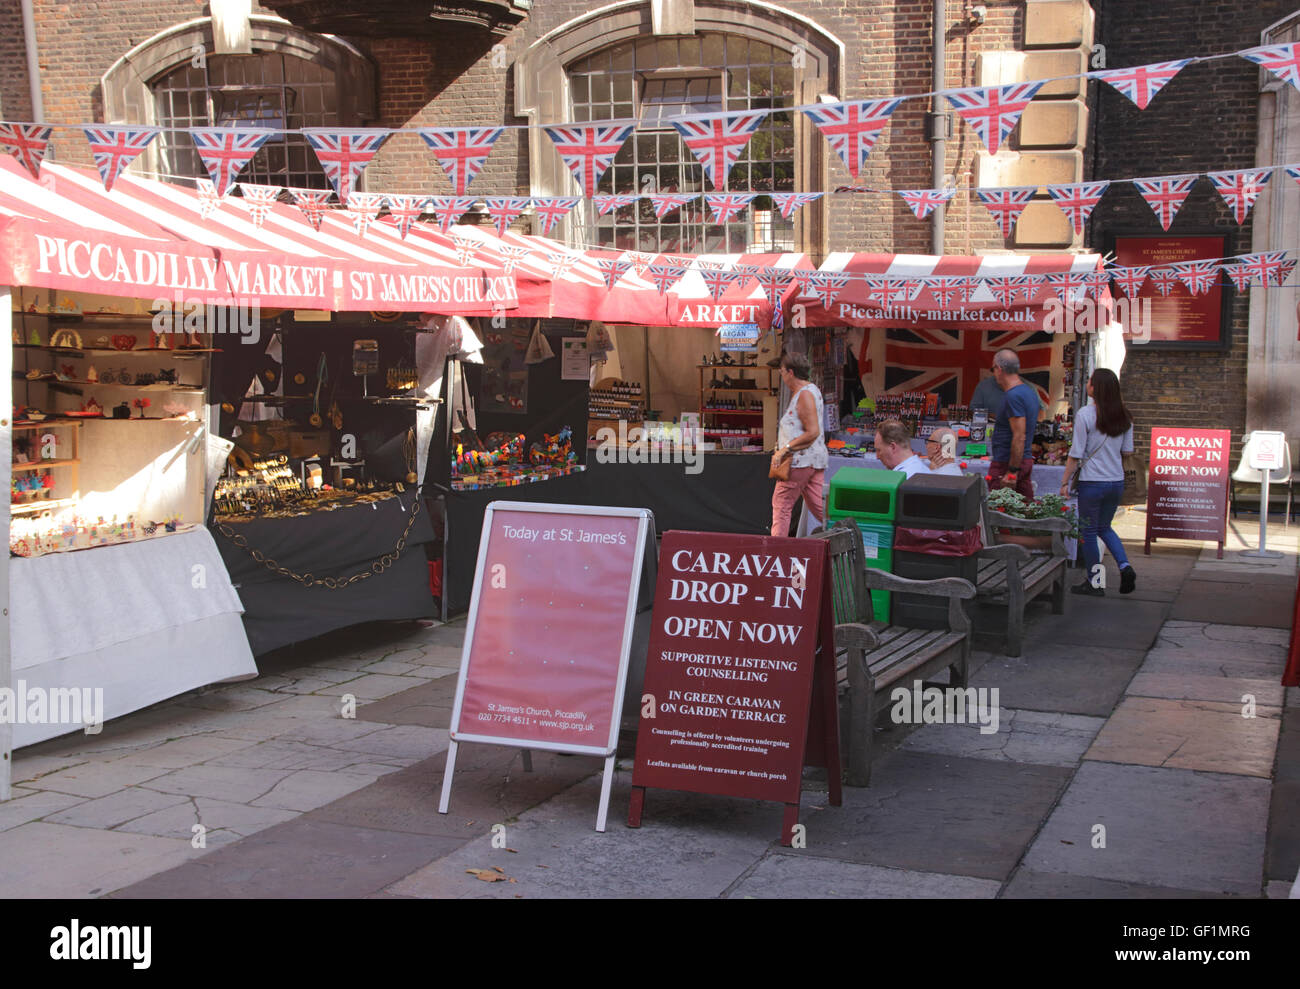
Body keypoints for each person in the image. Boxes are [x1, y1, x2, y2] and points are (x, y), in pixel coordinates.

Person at [1060, 367, 1137, 596]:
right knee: (1105, 527)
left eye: (1090, 381)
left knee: (1089, 532)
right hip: (1115, 481)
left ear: (1097, 388)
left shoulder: (1085, 414)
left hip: (1092, 483)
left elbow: (1076, 454)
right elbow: (1127, 452)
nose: (1087, 384)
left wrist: (1065, 482)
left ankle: (1096, 582)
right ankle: (1125, 566)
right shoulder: (1125, 416)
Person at [770, 352, 828, 537]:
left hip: (798, 462)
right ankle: (849, 534)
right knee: (820, 508)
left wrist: (784, 450)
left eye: (782, 371)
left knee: (782, 507)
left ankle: (775, 554)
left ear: (791, 372)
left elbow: (812, 431)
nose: (782, 375)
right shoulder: (812, 390)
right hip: (813, 461)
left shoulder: (804, 394)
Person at [988, 348, 1039, 497]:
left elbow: (1019, 436)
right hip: (1020, 460)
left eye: (993, 369)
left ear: (999, 369)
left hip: (1007, 463)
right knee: (1024, 509)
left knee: (997, 510)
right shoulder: (1028, 392)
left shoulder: (1014, 396)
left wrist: (1012, 471)